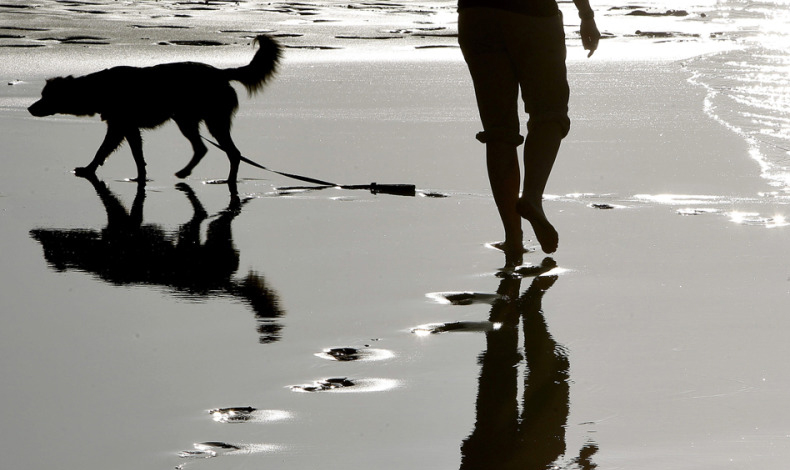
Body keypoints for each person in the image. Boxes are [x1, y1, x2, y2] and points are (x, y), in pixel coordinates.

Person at [458, 0, 600, 261]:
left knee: (499, 131)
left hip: (477, 15)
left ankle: (513, 238)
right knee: (549, 113)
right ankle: (532, 197)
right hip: (534, 14)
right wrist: (586, 14)